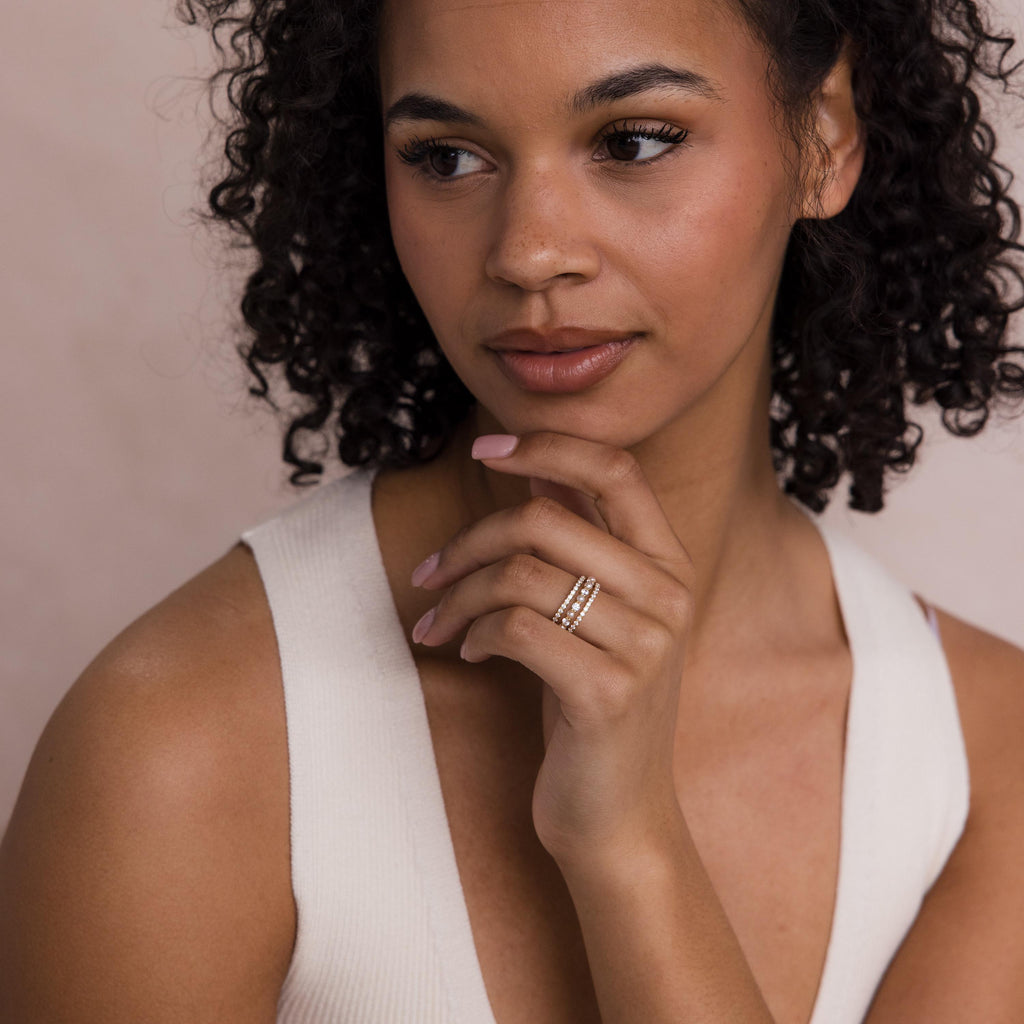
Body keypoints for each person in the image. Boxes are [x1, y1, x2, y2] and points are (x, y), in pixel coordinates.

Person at [2, 0, 1024, 1019]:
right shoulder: (180, 750)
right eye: (445, 157)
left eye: (633, 140)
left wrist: (631, 848)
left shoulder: (986, 761)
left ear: (826, 135)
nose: (529, 252)